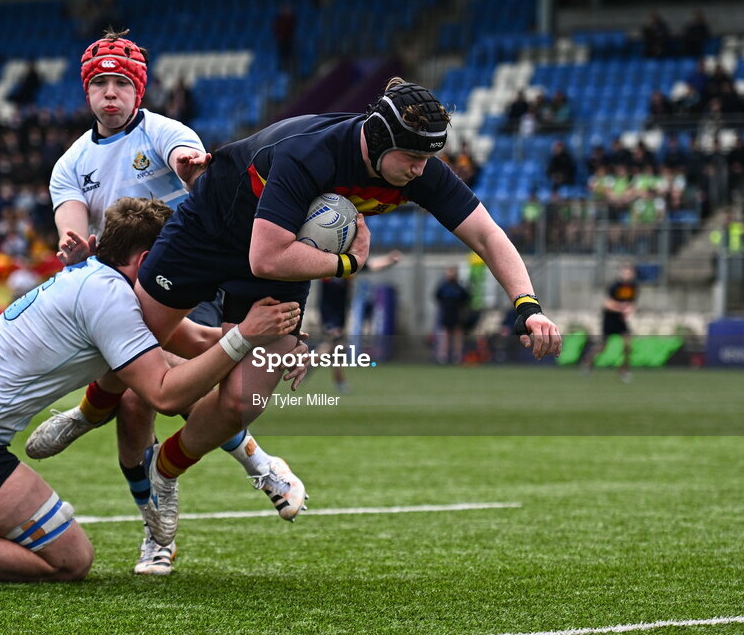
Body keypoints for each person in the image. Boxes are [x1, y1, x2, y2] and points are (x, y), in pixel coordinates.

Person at [123, 77, 562, 547]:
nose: (420, 171)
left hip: (279, 255)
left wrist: (528, 305)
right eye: (413, 159)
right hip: (212, 230)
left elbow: (487, 235)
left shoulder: (417, 166)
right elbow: (265, 256)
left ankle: (163, 472)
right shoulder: (312, 152)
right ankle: (88, 412)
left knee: (241, 404)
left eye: (426, 159)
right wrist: (349, 263)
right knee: (133, 343)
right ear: (377, 140)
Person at [0, 197, 301, 581]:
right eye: (177, 258)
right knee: (70, 559)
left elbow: (198, 340)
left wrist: (275, 346)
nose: (185, 269)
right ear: (147, 260)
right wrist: (243, 337)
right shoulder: (110, 300)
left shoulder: (100, 281)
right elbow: (165, 394)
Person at [28, 30, 306, 576]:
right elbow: (70, 218)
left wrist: (189, 167)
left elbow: (186, 157)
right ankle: (174, 514)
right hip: (112, 290)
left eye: (120, 84)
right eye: (100, 84)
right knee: (148, 402)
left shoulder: (164, 131)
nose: (111, 93)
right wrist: (71, 241)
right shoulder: (71, 162)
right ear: (87, 92)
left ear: (138, 91)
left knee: (149, 398)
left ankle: (92, 417)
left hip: (184, 283)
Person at [316, 250, 402, 392]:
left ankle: (324, 374)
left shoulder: (348, 265)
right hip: (329, 313)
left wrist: (389, 260)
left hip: (341, 313)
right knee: (336, 346)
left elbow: (371, 266)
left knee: (335, 348)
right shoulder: (327, 264)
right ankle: (309, 367)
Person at [582, 263, 637, 382]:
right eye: (625, 272)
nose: (627, 275)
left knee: (628, 345)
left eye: (629, 272)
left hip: (621, 320)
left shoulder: (633, 287)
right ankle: (588, 362)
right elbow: (607, 304)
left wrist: (628, 310)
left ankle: (624, 371)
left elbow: (631, 303)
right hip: (610, 319)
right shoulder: (615, 286)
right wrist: (621, 308)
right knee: (602, 347)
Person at [433, 266, 471, 365]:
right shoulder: (443, 287)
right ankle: (442, 357)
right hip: (445, 315)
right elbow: (437, 297)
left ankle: (456, 357)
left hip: (457, 316)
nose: (450, 274)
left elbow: (466, 299)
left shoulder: (459, 288)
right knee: (444, 337)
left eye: (452, 272)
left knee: (457, 336)